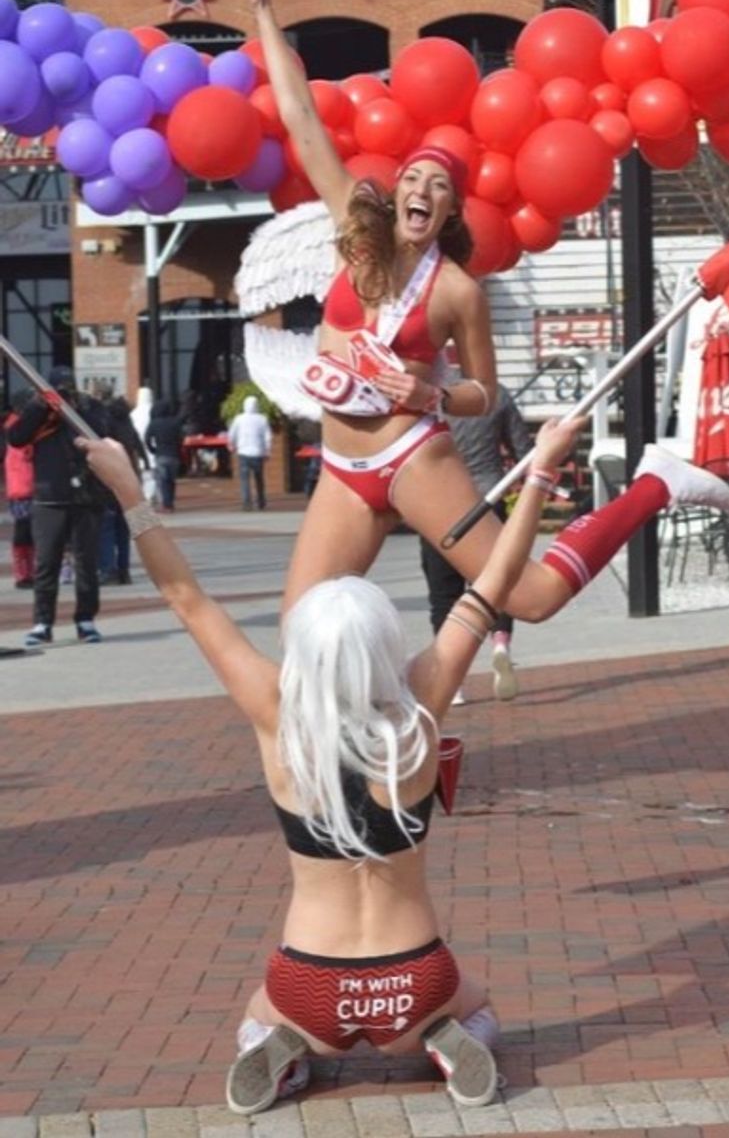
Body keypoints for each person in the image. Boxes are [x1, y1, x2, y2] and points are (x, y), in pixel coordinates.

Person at [77, 413, 587, 1116]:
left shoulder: (275, 714)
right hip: (415, 976)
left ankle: (280, 1052)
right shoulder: (419, 705)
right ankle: (446, 1039)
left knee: (256, 1017)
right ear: (384, 643)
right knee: (479, 1009)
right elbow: (492, 586)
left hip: (307, 981)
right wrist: (539, 470)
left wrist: (131, 494)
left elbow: (186, 599)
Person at [253, 0, 729, 628]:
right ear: (395, 196)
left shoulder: (456, 290)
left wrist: (431, 394)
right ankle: (411, 733)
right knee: (302, 624)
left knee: (530, 599)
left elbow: (484, 394)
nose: (423, 189)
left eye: (440, 186)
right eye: (414, 179)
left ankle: (655, 484)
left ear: (449, 212)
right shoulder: (354, 237)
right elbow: (303, 125)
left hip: (413, 457)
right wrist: (265, 14)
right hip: (340, 465)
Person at [419, 383, 532, 704]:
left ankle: (451, 682)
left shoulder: (429, 394)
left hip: (438, 503)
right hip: (488, 497)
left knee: (443, 593)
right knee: (497, 583)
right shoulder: (496, 395)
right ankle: (500, 644)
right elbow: (524, 453)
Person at [8, 367, 111, 647]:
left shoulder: (89, 408)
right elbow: (16, 437)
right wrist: (42, 406)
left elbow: (101, 434)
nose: (64, 393)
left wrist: (75, 408)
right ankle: (43, 623)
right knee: (46, 564)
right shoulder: (39, 413)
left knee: (86, 563)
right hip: (48, 498)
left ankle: (86, 619)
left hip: (85, 499)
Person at [99, 394, 149, 585]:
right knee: (124, 530)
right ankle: (124, 570)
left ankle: (108, 569)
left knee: (107, 528)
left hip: (110, 480)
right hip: (129, 479)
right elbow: (139, 446)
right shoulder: (128, 424)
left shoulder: (107, 425)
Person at [4, 402, 35, 590]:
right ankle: (24, 573)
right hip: (23, 488)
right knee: (24, 533)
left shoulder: (16, 430)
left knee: (27, 533)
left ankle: (26, 572)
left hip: (22, 487)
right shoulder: (17, 432)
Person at [227, 395, 274, 511]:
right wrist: (267, 450)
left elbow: (232, 433)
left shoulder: (239, 418)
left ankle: (246, 503)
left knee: (244, 479)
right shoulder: (262, 419)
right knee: (259, 479)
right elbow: (268, 436)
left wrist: (231, 444)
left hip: (243, 452)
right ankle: (261, 502)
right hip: (258, 452)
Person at [146, 399, 184, 512]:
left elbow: (147, 439)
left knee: (162, 480)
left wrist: (153, 450)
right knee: (171, 481)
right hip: (174, 455)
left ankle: (165, 504)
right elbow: (181, 438)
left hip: (161, 454)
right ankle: (170, 503)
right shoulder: (175, 422)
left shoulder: (154, 423)